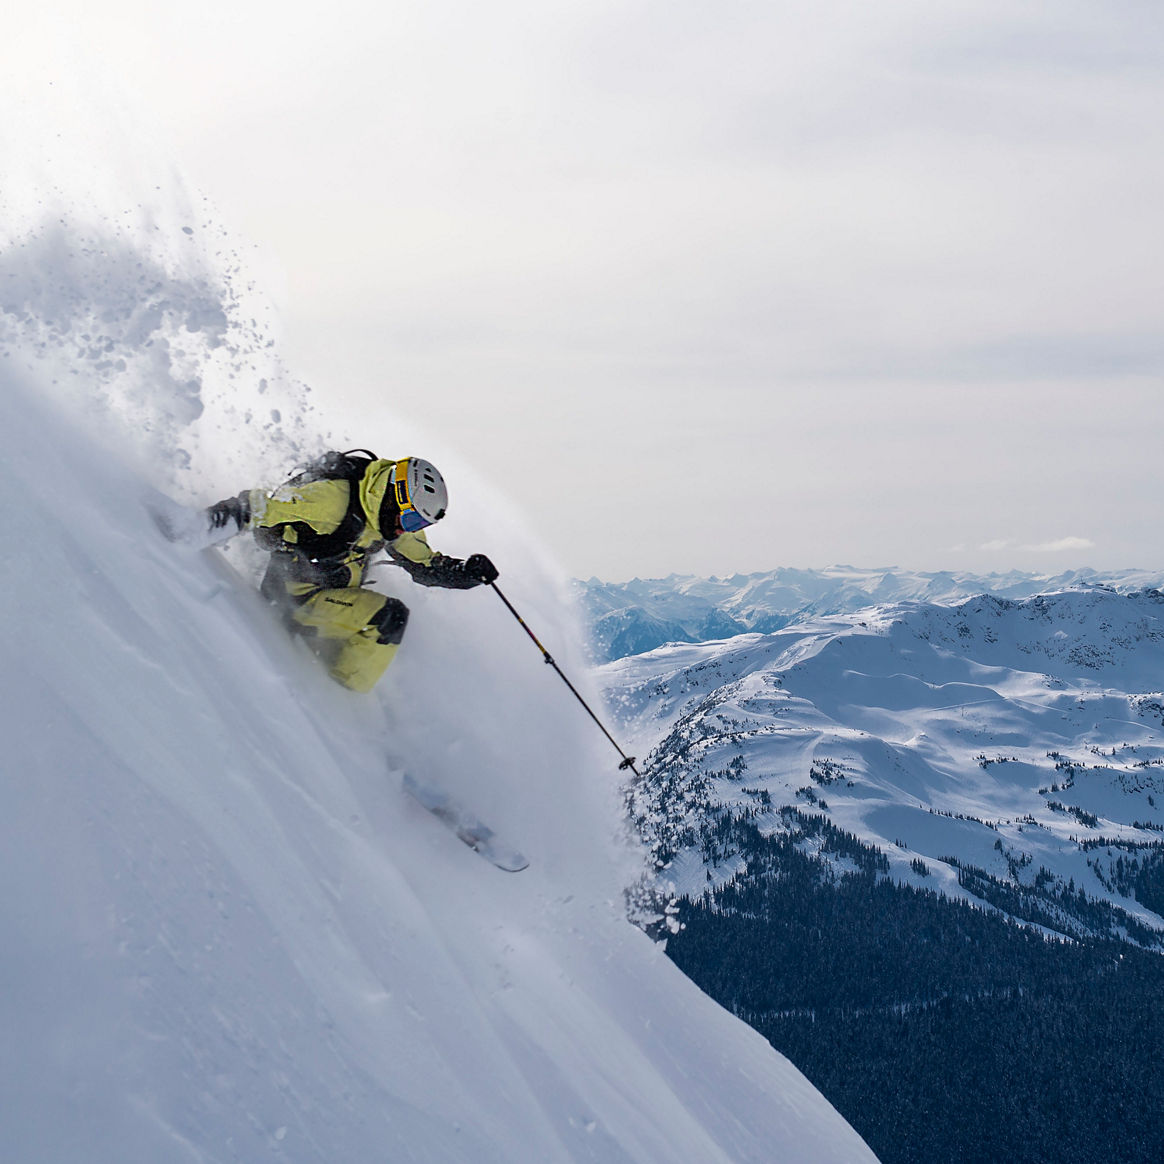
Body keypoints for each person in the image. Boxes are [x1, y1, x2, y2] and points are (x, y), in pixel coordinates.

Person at [206, 451, 498, 693]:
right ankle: (340, 706)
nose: (403, 529)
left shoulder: (386, 518)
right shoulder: (331, 502)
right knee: (388, 619)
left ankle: (340, 675)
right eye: (408, 519)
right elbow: (259, 508)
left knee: (385, 624)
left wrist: (466, 573)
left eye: (415, 525)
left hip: (333, 597)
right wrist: (203, 523)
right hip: (292, 599)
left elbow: (426, 567)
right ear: (395, 495)